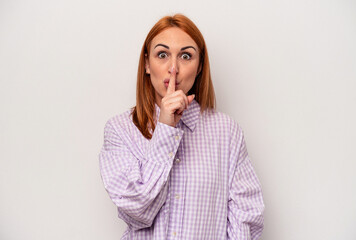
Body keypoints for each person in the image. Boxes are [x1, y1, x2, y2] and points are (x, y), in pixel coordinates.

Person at [99, 14, 265, 240]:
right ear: (147, 64)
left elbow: (247, 218)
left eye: (186, 56)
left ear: (199, 67)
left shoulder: (226, 131)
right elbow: (138, 210)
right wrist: (166, 128)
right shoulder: (120, 129)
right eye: (162, 55)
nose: (173, 68)